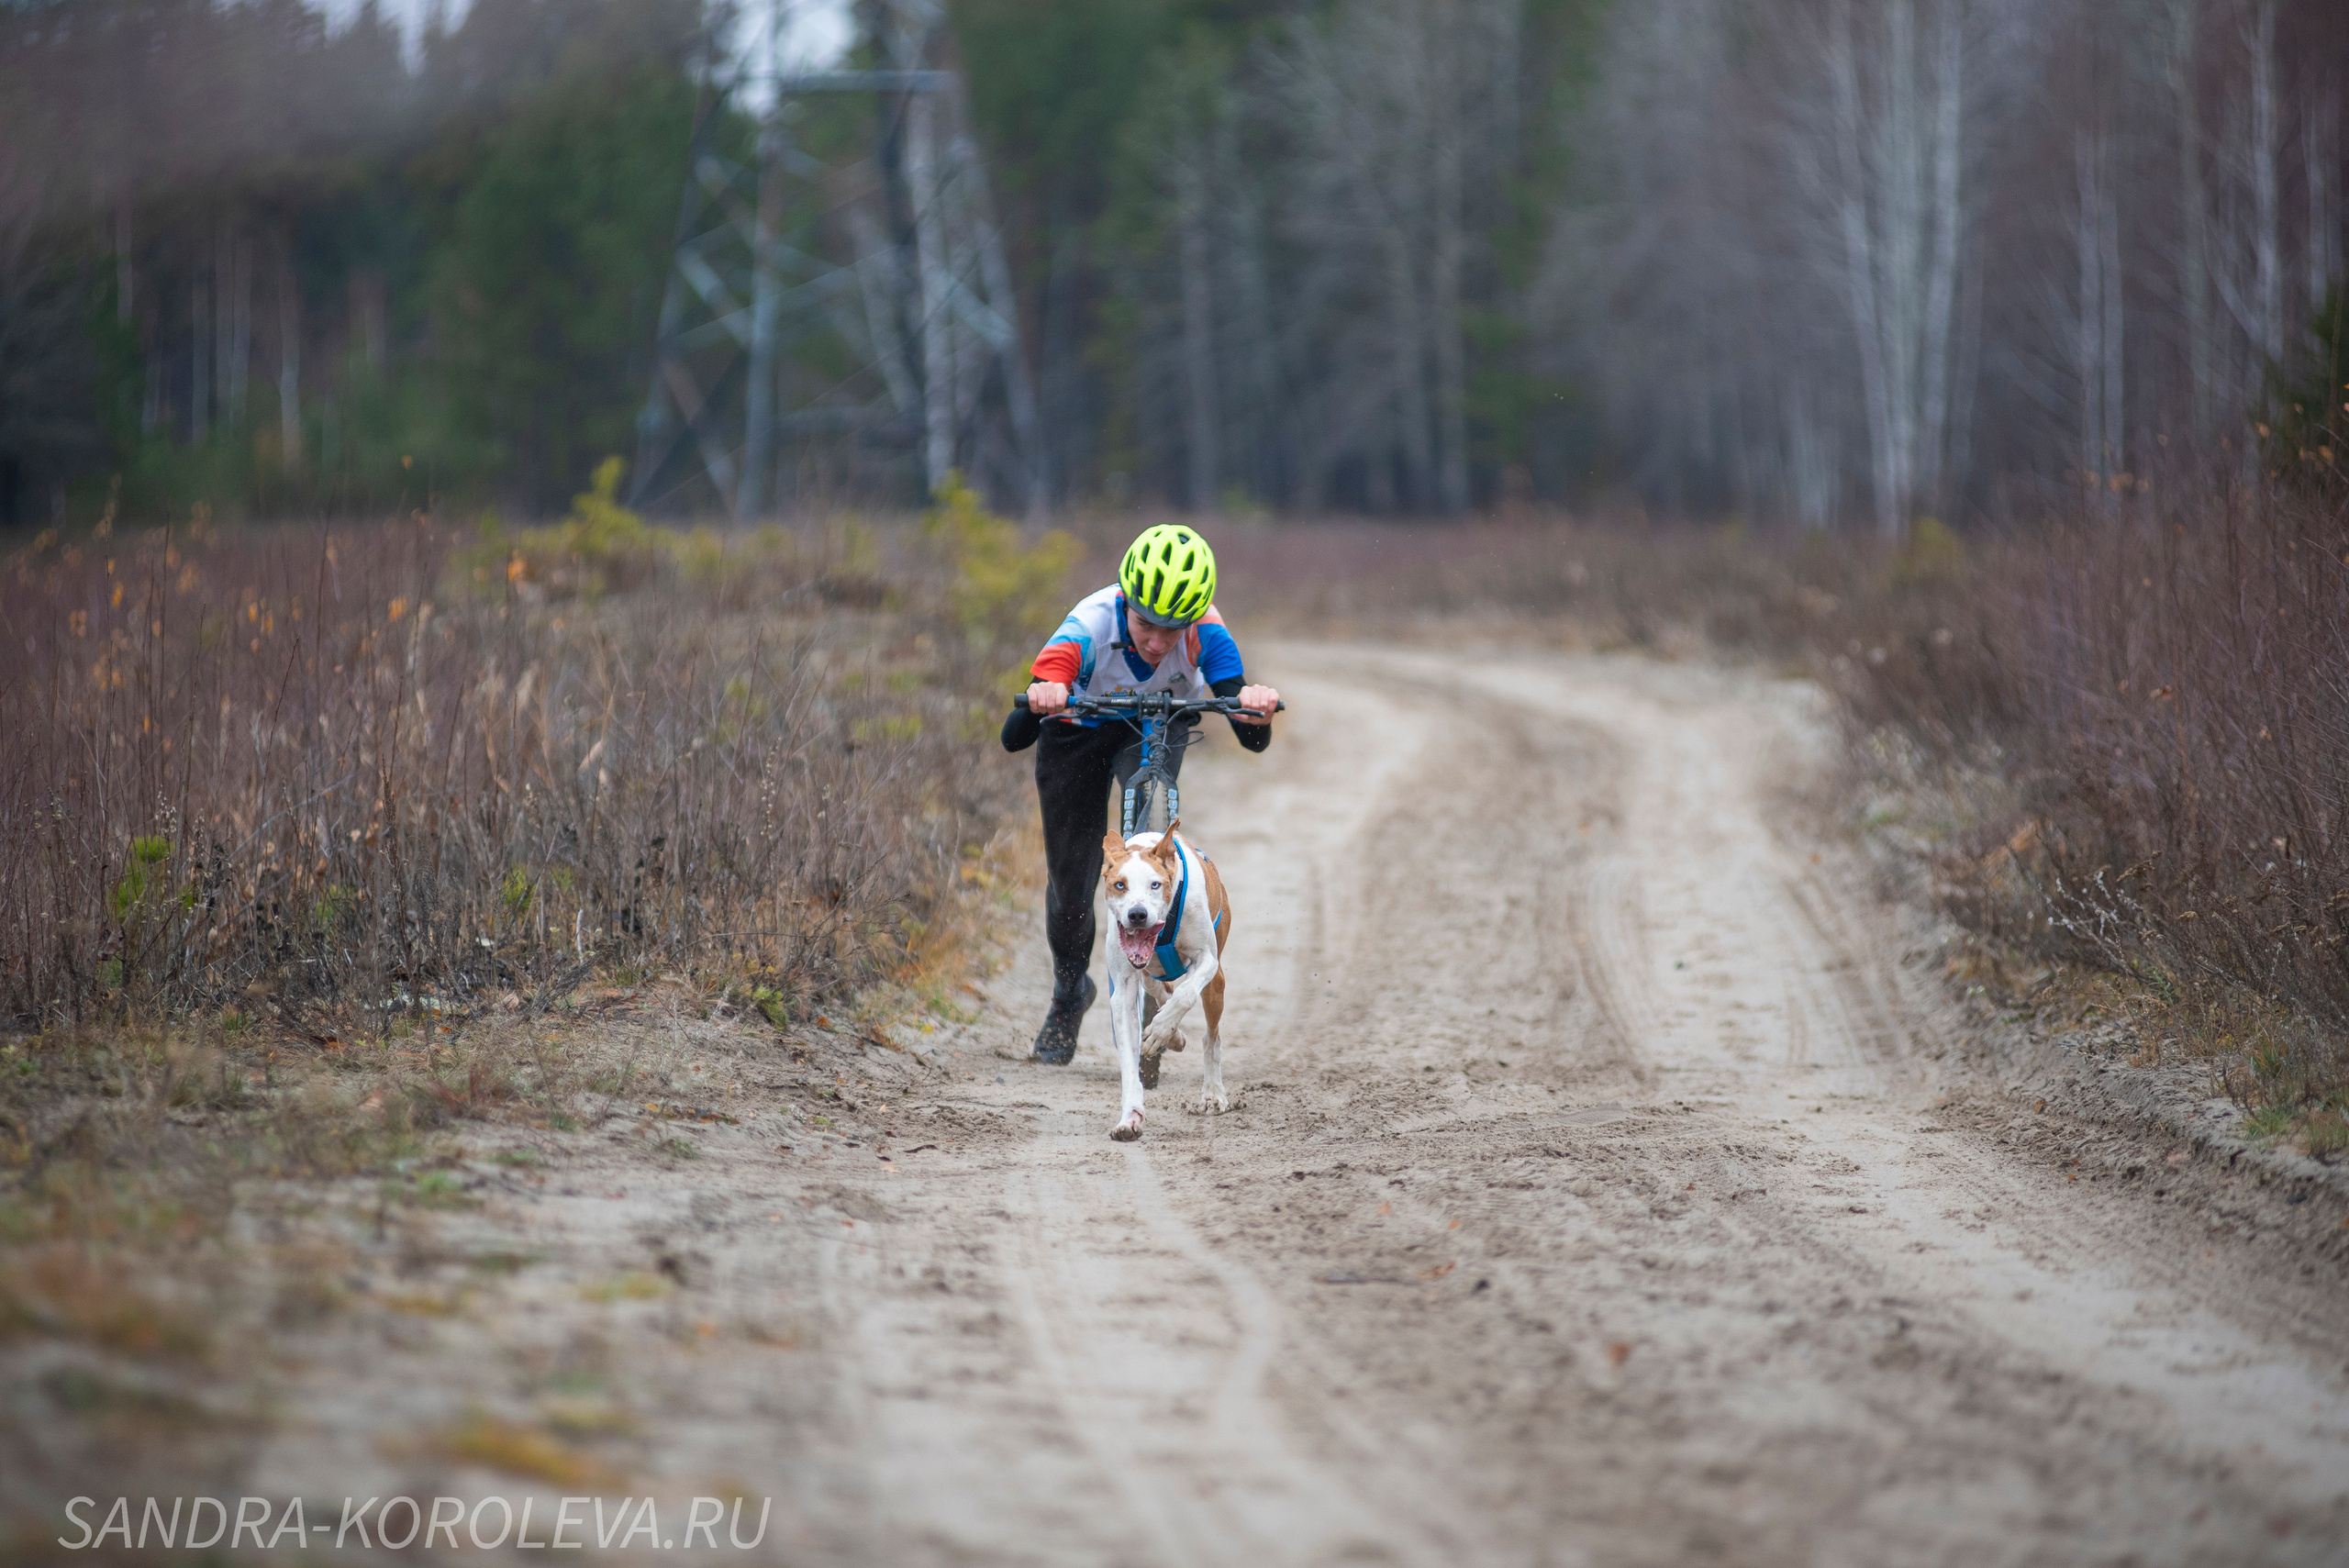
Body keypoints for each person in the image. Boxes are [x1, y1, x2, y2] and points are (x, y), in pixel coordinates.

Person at [1002, 524, 1280, 1063]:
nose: (1157, 643)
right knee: (1073, 880)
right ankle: (1069, 994)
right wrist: (1043, 695)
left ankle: (1155, 996)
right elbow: (1014, 736)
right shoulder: (1088, 623)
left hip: (1157, 725)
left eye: (1172, 632)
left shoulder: (1207, 631)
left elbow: (1250, 731)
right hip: (1076, 731)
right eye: (1146, 625)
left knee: (1150, 861)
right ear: (1125, 603)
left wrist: (1254, 704)